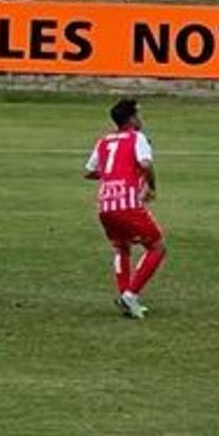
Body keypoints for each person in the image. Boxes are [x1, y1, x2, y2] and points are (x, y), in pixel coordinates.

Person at [83, 98, 167, 319]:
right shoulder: (137, 137)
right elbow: (146, 164)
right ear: (131, 119)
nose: (140, 119)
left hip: (105, 205)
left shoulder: (104, 141)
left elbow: (89, 171)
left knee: (122, 249)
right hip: (127, 204)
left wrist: (113, 175)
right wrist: (151, 187)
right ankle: (130, 295)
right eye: (138, 115)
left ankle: (125, 297)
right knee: (157, 247)